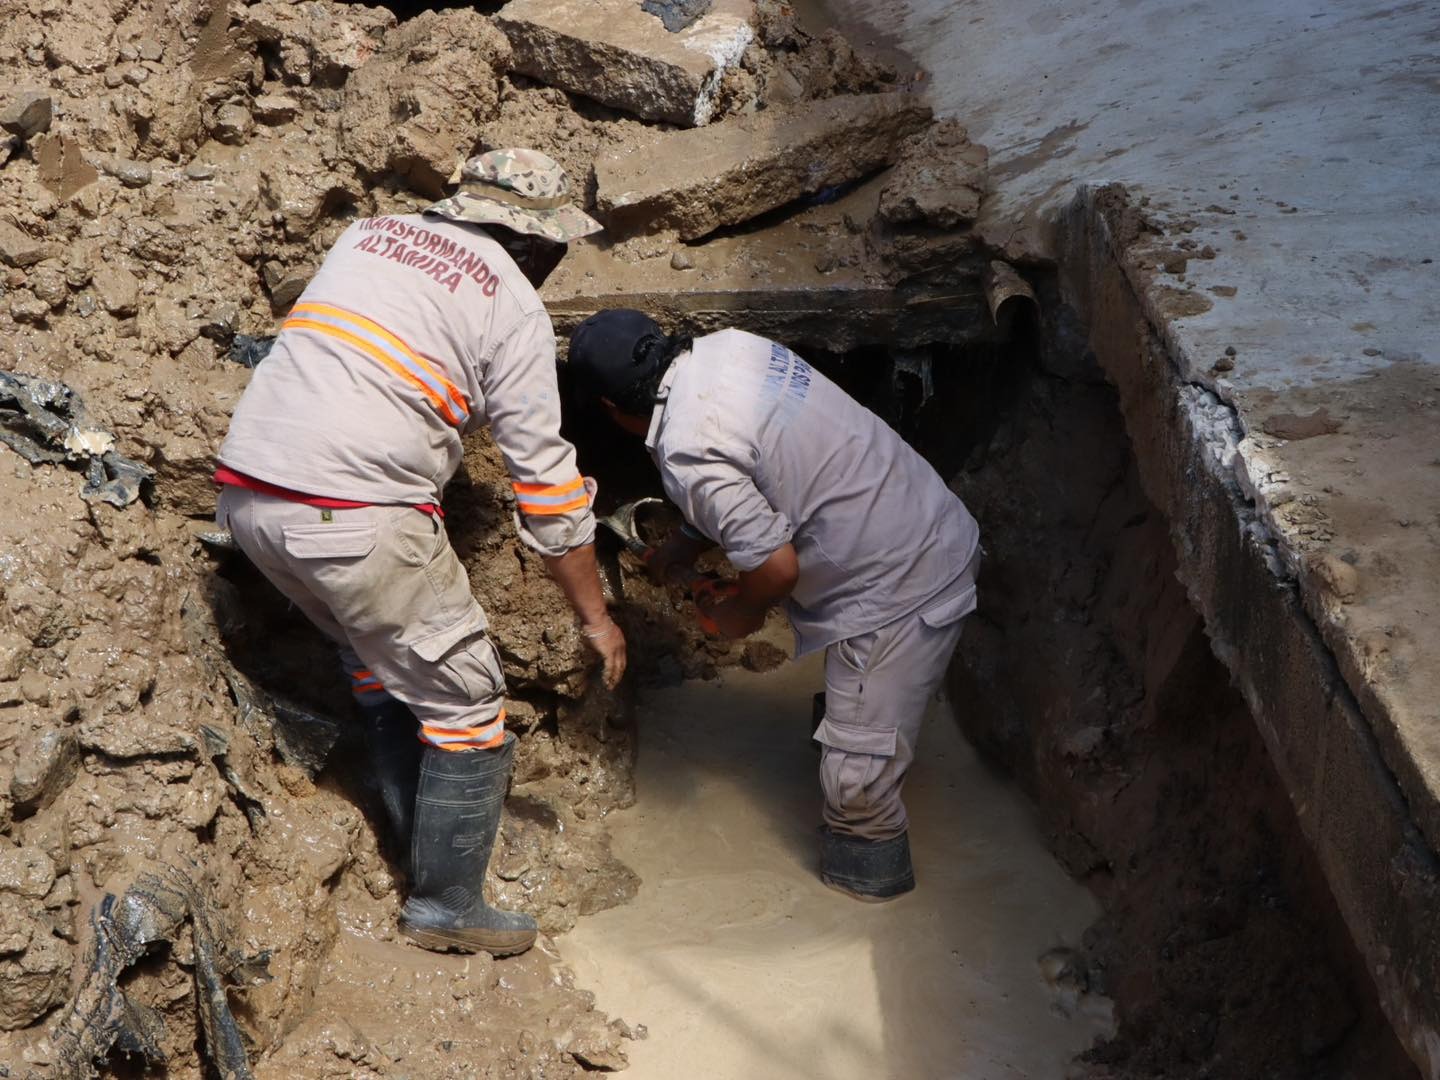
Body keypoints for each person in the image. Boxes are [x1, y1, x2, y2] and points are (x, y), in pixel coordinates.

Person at [214, 149, 625, 957]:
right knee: (469, 702)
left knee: (376, 657)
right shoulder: (511, 304)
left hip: (250, 499)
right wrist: (595, 618)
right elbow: (547, 489)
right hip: (355, 513)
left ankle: (411, 849)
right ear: (537, 246)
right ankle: (447, 905)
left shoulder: (368, 236)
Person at [566, 311, 980, 901]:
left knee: (856, 790)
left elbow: (777, 569)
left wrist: (741, 613)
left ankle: (868, 891)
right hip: (922, 523)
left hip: (904, 589)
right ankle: (855, 724)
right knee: (858, 711)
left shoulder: (687, 449)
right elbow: (754, 468)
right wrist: (684, 543)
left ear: (610, 408)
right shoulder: (728, 350)